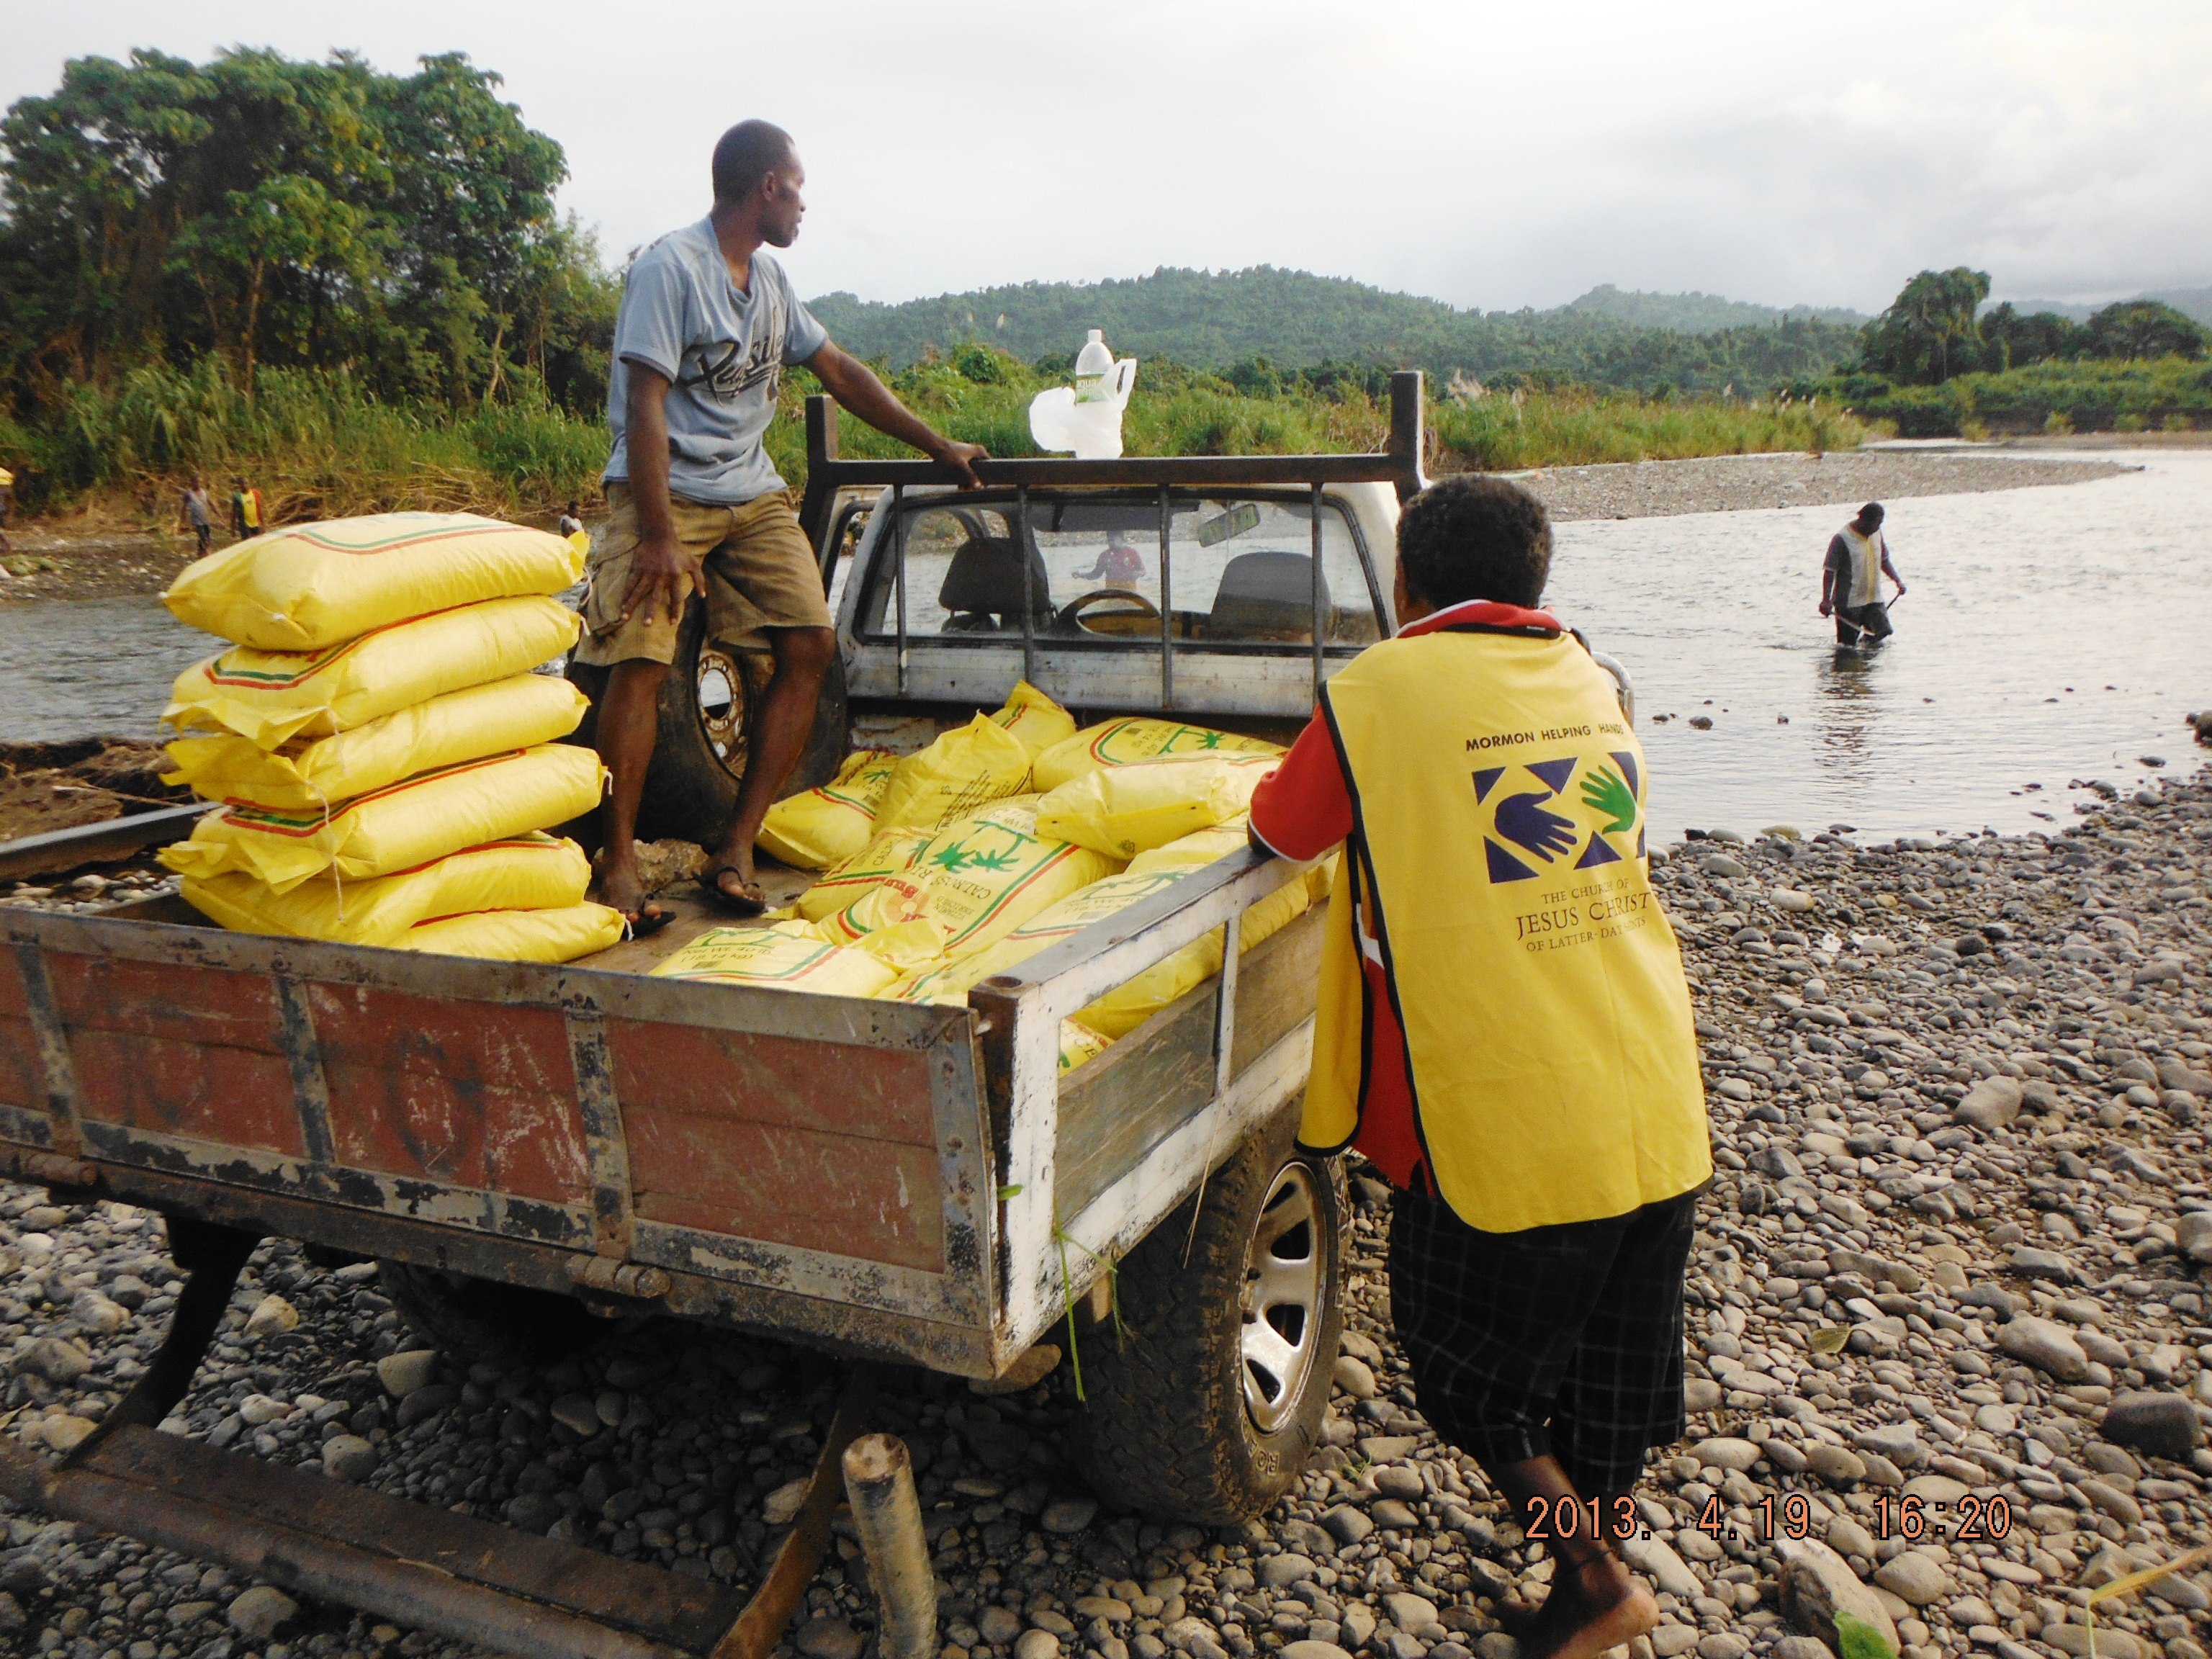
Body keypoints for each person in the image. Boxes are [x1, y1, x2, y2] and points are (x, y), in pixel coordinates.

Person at [1247, 475, 1711, 1659]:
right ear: (1533, 582)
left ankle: (1594, 1575)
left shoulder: (1381, 686)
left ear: (1403, 583)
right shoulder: (1589, 677)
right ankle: (1584, 1576)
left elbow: (1279, 830)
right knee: (1602, 1380)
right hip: (1652, 1080)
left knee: (1463, 1374)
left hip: (1515, 1106)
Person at [575, 120, 986, 931]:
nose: (804, 207)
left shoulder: (769, 283)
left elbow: (839, 370)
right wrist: (657, 534)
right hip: (668, 496)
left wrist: (936, 446)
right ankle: (617, 865)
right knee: (643, 656)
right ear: (766, 187)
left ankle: (736, 843)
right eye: (798, 190)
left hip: (752, 495)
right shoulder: (672, 269)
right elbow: (644, 402)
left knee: (810, 645)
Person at [1820, 500, 1905, 647]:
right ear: (1864, 520)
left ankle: (1866, 658)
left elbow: (1884, 561)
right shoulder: (1841, 539)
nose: (1878, 528)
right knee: (1847, 646)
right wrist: (1826, 600)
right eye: (1876, 524)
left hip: (1874, 599)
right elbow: (1829, 571)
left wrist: (1897, 581)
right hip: (1848, 603)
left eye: (1880, 524)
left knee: (1884, 630)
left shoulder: (1877, 534)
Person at [1074, 529, 1146, 584]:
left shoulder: (1132, 553)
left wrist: (1137, 574)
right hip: (1111, 593)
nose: (1111, 543)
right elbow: (1095, 575)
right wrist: (1081, 575)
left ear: (1122, 539)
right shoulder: (1105, 556)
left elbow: (1143, 571)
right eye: (1109, 540)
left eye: (1114, 540)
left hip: (1130, 594)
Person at [181, 478, 214, 554]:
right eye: (195, 482)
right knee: (203, 537)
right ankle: (208, 553)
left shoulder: (204, 492)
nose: (197, 484)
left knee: (207, 536)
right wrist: (183, 518)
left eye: (199, 482)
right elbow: (184, 506)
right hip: (196, 520)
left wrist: (217, 513)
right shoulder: (188, 494)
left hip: (205, 519)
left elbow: (211, 503)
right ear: (192, 483)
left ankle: (200, 553)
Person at [230, 477, 263, 541]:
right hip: (244, 526)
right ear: (240, 485)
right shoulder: (237, 496)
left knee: (258, 543)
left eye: (246, 483)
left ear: (249, 484)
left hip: (256, 524)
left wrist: (262, 524)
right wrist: (232, 529)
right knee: (248, 543)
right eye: (242, 484)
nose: (245, 486)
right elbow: (234, 513)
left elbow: (260, 509)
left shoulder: (255, 493)